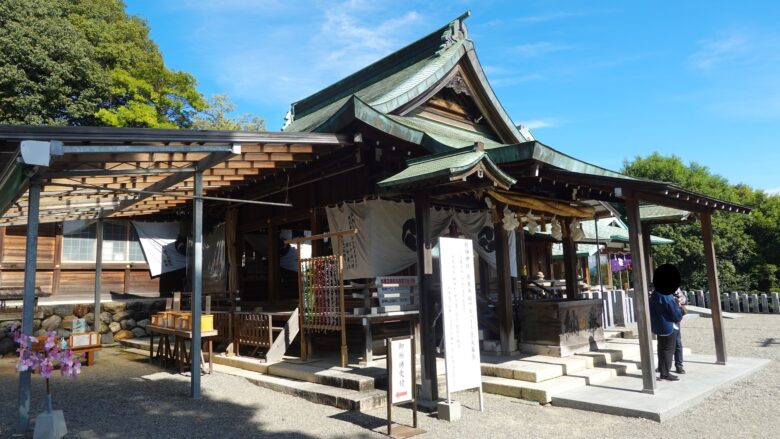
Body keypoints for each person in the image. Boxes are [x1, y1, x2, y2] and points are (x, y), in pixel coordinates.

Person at [649, 264, 683, 381]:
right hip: (669, 325)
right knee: (668, 350)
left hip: (659, 325)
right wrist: (680, 314)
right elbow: (674, 312)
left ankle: (662, 370)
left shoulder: (654, 294)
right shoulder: (666, 294)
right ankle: (665, 373)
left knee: (662, 349)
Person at [673, 289, 688, 374]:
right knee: (662, 344)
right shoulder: (653, 287)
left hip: (675, 316)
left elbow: (684, 299)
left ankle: (679, 365)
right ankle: (662, 366)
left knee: (677, 342)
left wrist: (677, 300)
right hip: (662, 318)